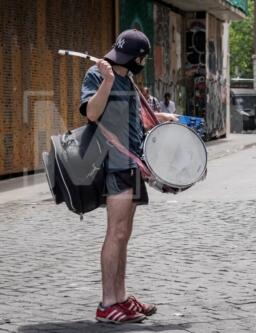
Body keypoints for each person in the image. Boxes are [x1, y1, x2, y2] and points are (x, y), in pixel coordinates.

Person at [79, 29, 177, 324]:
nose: (142, 63)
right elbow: (92, 114)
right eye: (142, 58)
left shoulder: (128, 79)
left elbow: (133, 121)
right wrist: (106, 80)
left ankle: (121, 297)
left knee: (124, 235)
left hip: (133, 166)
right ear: (138, 57)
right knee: (115, 233)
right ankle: (107, 304)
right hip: (115, 165)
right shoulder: (97, 76)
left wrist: (162, 119)